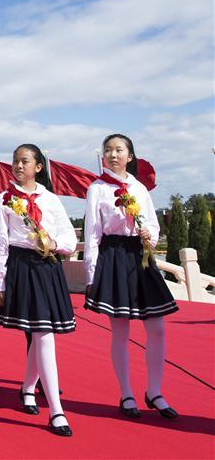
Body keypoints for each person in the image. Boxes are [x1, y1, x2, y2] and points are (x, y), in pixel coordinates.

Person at [84, 134, 179, 419]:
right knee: (121, 331)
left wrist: (150, 237)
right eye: (108, 150)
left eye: (119, 150)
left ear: (130, 156)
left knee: (158, 327)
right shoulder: (97, 189)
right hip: (113, 256)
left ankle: (154, 391)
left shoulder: (139, 188)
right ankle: (126, 393)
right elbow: (92, 233)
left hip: (140, 257)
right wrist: (91, 273)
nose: (113, 155)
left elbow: (152, 223)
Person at [0, 144, 77, 437]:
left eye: (24, 161)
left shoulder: (51, 199)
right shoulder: (4, 199)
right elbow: (0, 243)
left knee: (43, 331)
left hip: (47, 266)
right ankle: (57, 410)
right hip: (21, 267)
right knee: (41, 333)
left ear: (38, 167)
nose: (17, 166)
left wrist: (54, 243)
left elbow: (67, 235)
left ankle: (29, 388)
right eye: (15, 161)